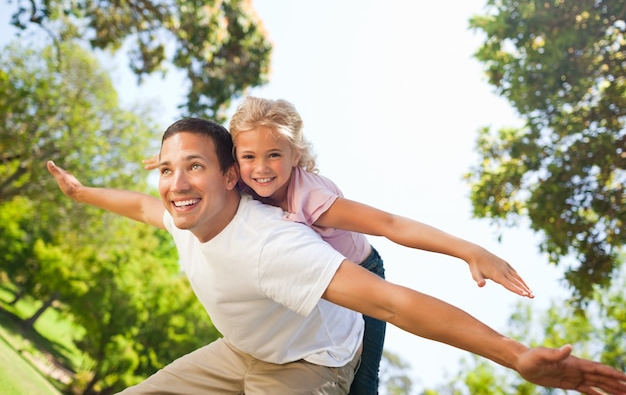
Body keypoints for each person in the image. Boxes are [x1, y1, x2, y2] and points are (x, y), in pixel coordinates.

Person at [48, 118, 626, 395]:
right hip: (241, 351)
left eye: (194, 166)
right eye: (168, 169)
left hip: (311, 361)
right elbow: (139, 206)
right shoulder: (182, 214)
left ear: (230, 176)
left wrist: (516, 353)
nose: (175, 184)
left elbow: (395, 302)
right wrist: (82, 193)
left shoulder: (277, 242)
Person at [144, 97, 535, 395]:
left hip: (362, 269)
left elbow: (390, 224)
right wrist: (178, 164)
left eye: (274, 156)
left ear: (295, 156)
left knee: (362, 378)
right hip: (315, 285)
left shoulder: (311, 198)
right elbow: (182, 183)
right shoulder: (240, 179)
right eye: (249, 157)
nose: (261, 168)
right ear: (235, 162)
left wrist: (467, 250)